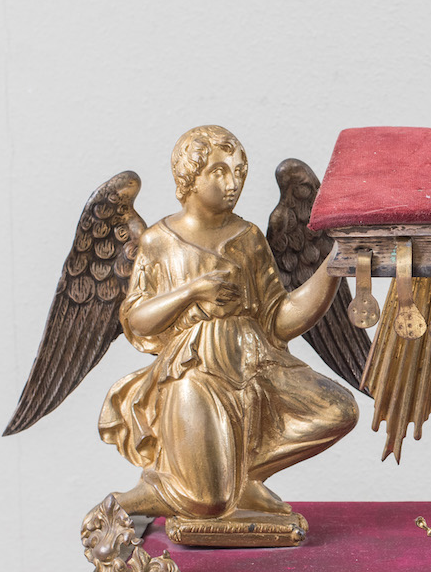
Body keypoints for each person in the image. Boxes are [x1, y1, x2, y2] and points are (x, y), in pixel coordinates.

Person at [99, 125, 358, 519]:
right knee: (209, 502)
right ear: (189, 176)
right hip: (194, 369)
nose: (233, 183)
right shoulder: (159, 241)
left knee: (338, 410)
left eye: (239, 172)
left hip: (256, 362)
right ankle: (133, 498)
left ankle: (246, 477)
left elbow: (278, 319)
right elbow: (138, 319)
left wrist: (335, 264)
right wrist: (192, 291)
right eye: (219, 172)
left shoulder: (249, 237)